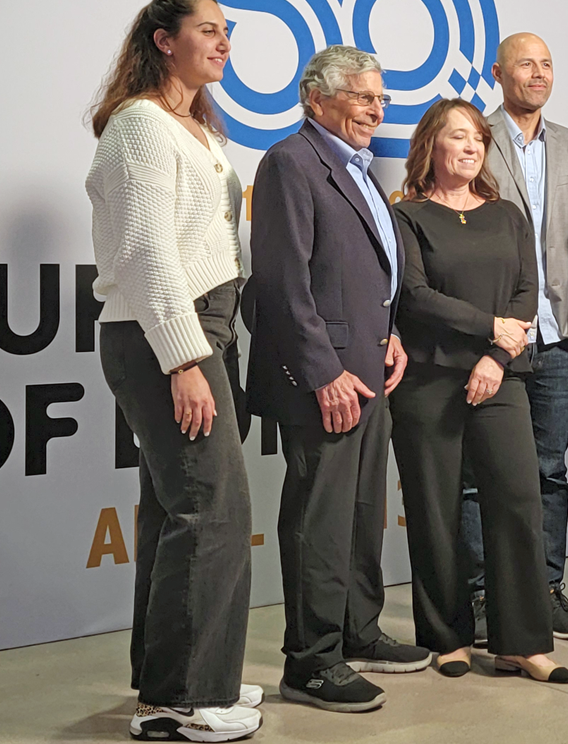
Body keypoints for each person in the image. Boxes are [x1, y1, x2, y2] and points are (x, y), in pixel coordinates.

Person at [86, 0, 262, 742]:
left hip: (194, 330)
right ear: (163, 40)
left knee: (172, 514)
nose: (224, 43)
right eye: (209, 30)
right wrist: (185, 358)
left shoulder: (194, 126)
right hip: (166, 336)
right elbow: (148, 252)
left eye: (229, 32)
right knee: (211, 510)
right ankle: (178, 703)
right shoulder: (139, 127)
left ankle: (182, 678)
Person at [245, 45, 429, 713]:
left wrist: (392, 337)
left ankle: (359, 632)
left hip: (371, 371)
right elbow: (283, 283)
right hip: (326, 380)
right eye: (363, 97)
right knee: (320, 520)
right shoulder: (292, 164)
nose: (377, 110)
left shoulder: (358, 169)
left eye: (381, 98)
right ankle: (312, 660)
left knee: (360, 513)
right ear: (316, 99)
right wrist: (324, 374)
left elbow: (363, 281)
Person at [389, 99, 568, 684]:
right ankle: (448, 638)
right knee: (435, 508)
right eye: (456, 137)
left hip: (501, 377)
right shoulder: (408, 216)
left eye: (477, 138)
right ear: (431, 147)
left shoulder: (507, 216)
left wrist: (497, 354)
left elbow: (525, 295)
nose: (470, 147)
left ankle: (522, 642)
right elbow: (414, 297)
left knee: (518, 501)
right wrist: (486, 328)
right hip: (427, 381)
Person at [460, 33, 568, 645]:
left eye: (547, 63)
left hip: (560, 339)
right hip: (496, 340)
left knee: (551, 469)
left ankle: (545, 588)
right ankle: (485, 595)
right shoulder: (476, 139)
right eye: (526, 63)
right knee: (479, 475)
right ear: (498, 73)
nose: (540, 73)